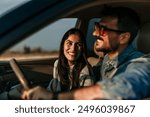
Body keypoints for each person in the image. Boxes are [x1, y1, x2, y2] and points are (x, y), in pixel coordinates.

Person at [22, 6, 150, 100]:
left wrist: (54, 97)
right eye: (96, 27)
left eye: (102, 30)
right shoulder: (107, 60)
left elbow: (127, 86)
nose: (94, 33)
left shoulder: (140, 63)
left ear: (123, 37)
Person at [47, 28, 95, 93]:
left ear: (82, 49)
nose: (73, 49)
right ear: (62, 46)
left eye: (78, 45)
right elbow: (54, 88)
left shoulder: (86, 71)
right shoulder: (58, 63)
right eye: (69, 43)